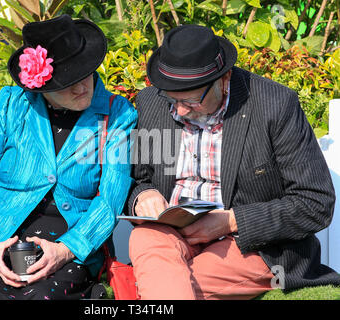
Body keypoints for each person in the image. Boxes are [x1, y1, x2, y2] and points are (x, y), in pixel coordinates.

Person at [127, 24, 340, 300]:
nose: (178, 111)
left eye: (191, 101)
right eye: (172, 99)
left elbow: (315, 202)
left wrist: (231, 221)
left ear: (224, 78)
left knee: (172, 286)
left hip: (253, 245)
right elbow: (136, 179)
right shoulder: (151, 102)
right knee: (145, 239)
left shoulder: (274, 105)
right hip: (171, 232)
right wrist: (144, 194)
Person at [0, 14, 137, 300]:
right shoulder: (9, 106)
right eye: (67, 83)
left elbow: (110, 200)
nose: (82, 87)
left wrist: (66, 250)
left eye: (85, 75)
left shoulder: (117, 114)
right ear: (40, 88)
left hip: (70, 247)